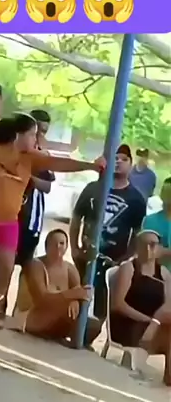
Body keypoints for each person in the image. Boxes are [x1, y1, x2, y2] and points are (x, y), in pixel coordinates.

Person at [0, 114, 105, 328]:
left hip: (8, 221)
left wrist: (90, 165)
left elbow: (58, 163)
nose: (36, 139)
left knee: (6, 269)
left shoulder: (32, 157)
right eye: (32, 134)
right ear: (18, 134)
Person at [70, 144, 147, 323]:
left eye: (124, 159)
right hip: (86, 256)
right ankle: (74, 330)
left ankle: (93, 331)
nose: (119, 162)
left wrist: (125, 259)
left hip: (112, 261)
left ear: (131, 164)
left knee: (102, 305)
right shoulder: (92, 189)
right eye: (115, 158)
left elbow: (137, 234)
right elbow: (76, 218)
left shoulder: (136, 199)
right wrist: (74, 247)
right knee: (79, 296)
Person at [10, 228, 101, 346]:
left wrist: (75, 300)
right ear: (46, 246)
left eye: (62, 243)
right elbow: (41, 299)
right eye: (54, 243)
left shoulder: (70, 269)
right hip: (29, 317)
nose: (58, 247)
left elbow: (80, 293)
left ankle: (66, 338)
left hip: (57, 317)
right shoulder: (35, 265)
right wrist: (72, 295)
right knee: (66, 311)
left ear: (66, 247)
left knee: (95, 325)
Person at [109, 230, 171, 385]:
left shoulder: (163, 273)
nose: (149, 249)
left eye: (153, 245)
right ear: (137, 247)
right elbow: (118, 304)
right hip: (129, 322)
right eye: (145, 244)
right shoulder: (129, 268)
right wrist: (149, 320)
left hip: (153, 324)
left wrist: (155, 322)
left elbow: (167, 305)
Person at [16, 110, 55, 271]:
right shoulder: (14, 151)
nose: (40, 135)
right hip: (12, 216)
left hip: (32, 220)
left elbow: (48, 186)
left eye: (44, 131)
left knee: (27, 267)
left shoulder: (45, 156)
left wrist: (28, 177)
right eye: (37, 130)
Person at [142, 177, 171, 270]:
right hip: (155, 273)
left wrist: (164, 252)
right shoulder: (150, 220)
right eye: (165, 192)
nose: (168, 196)